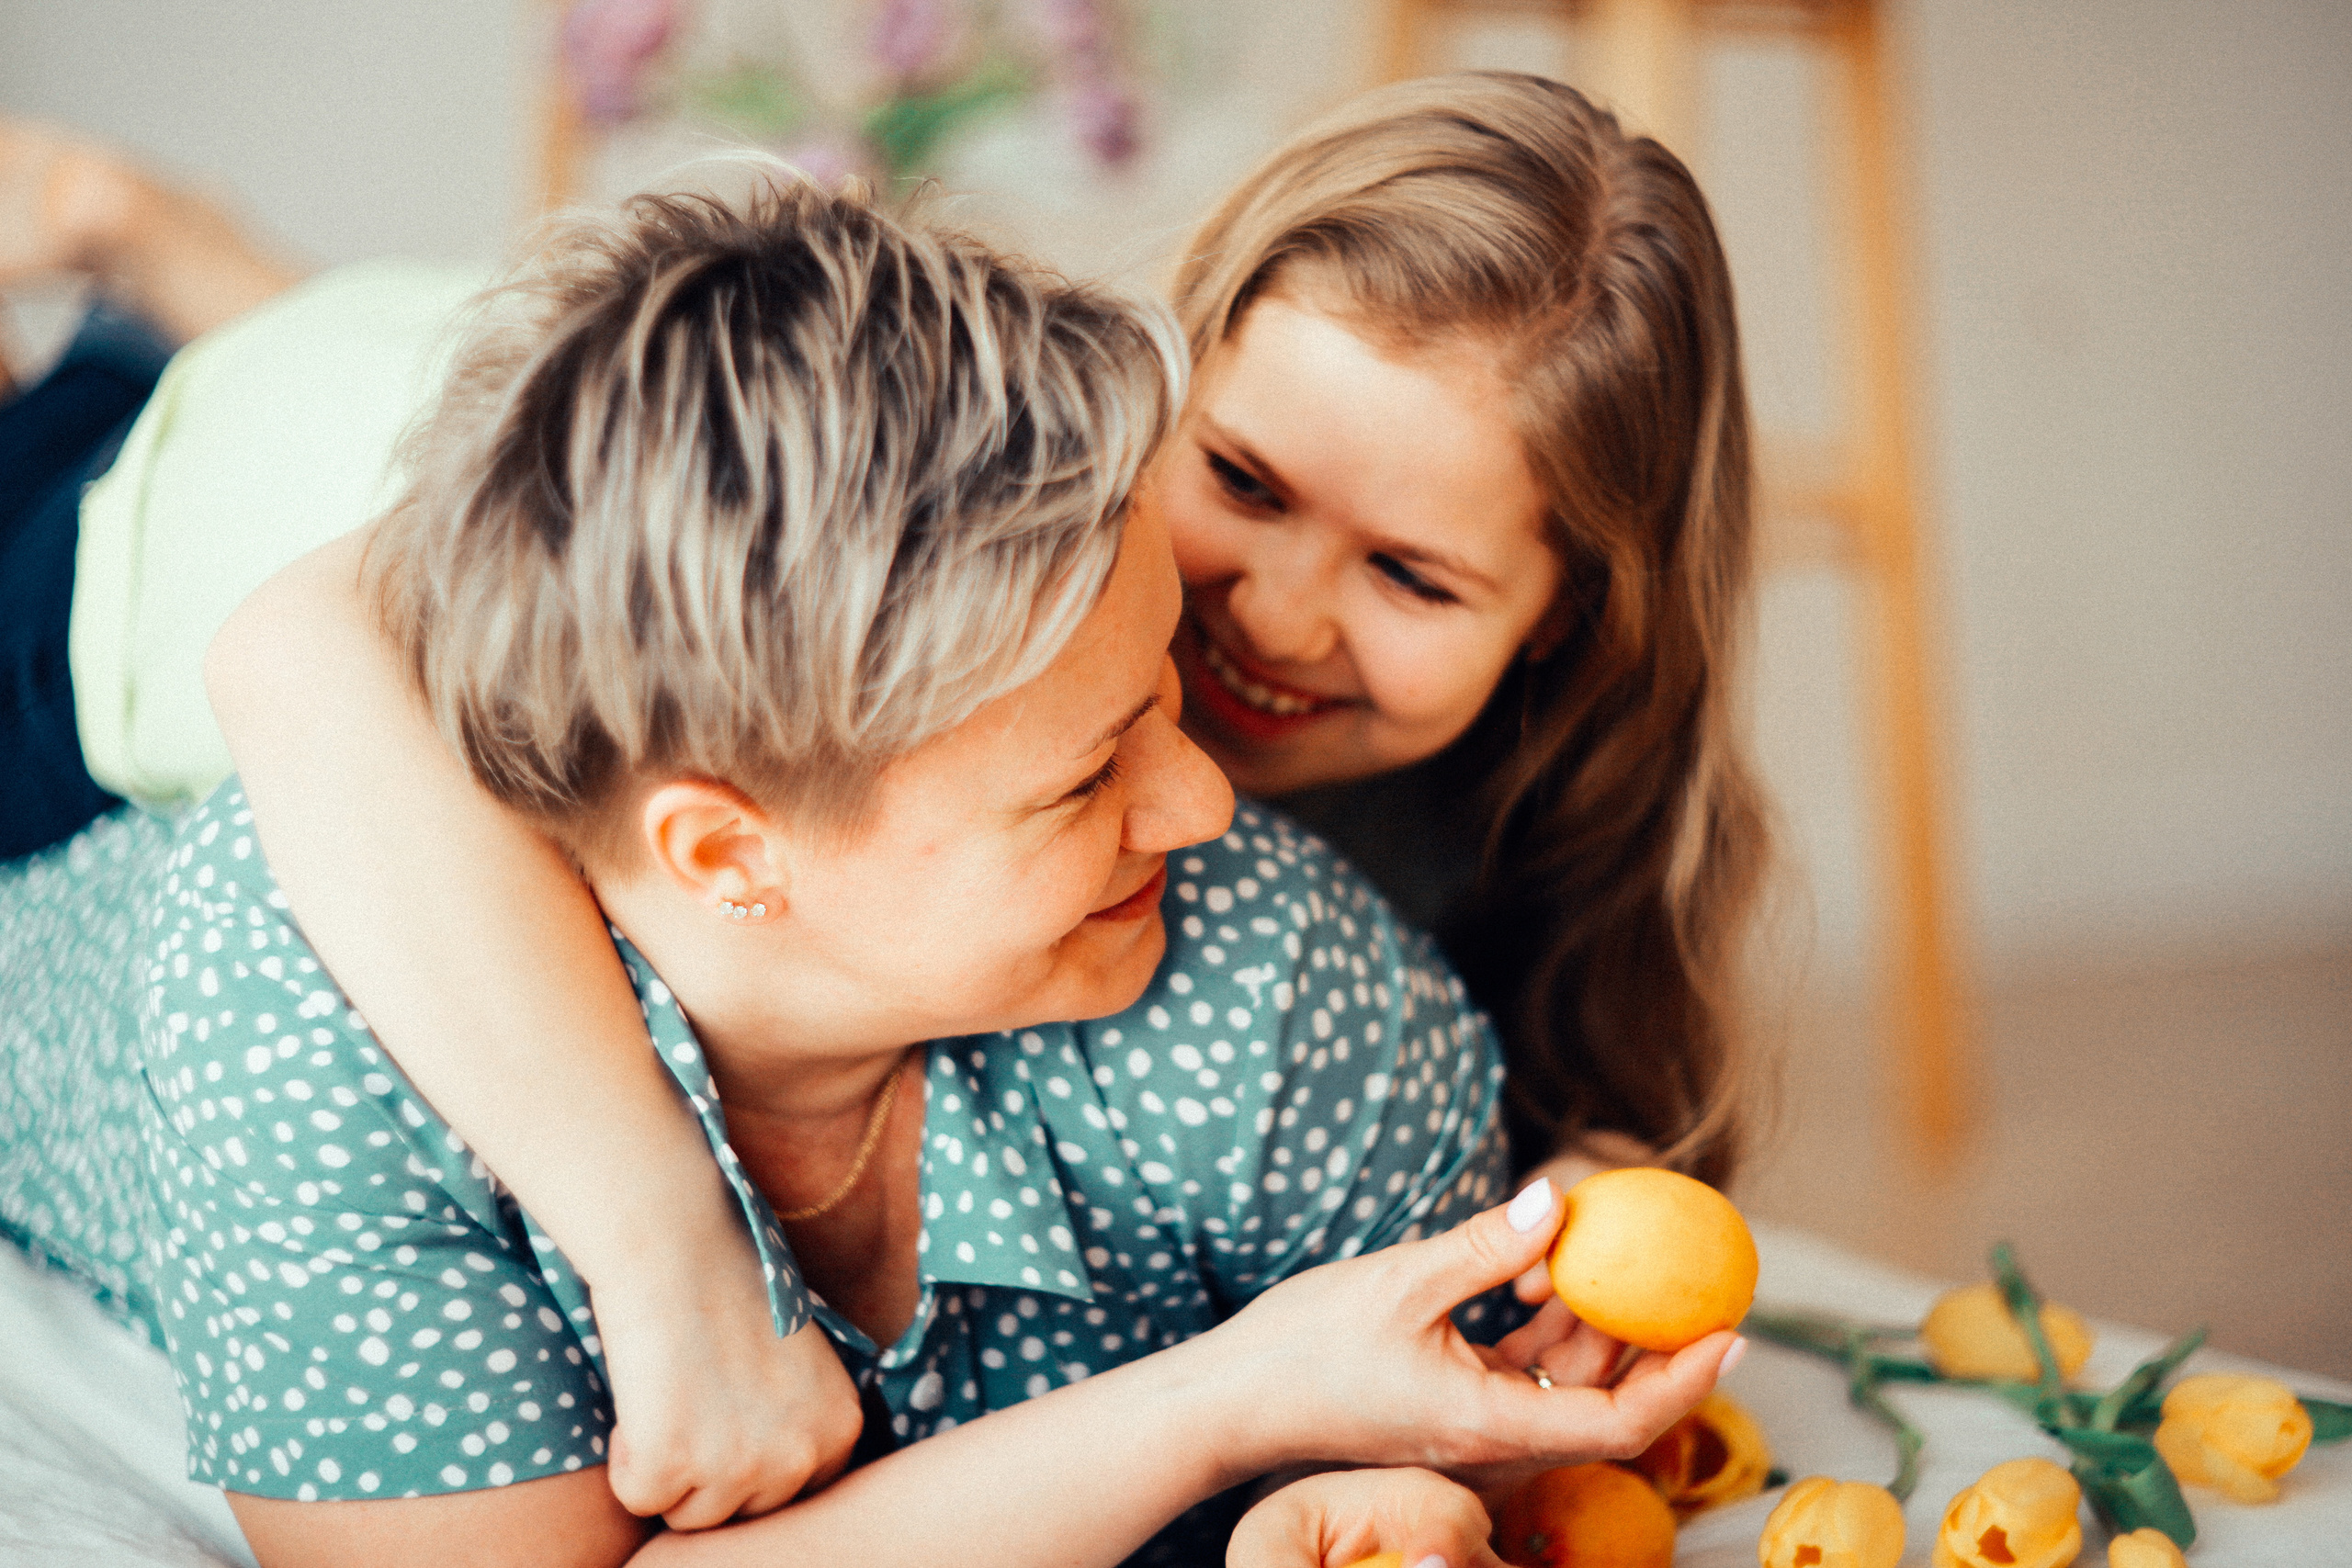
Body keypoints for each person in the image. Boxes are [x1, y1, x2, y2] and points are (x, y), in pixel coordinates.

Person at [3, 175, 1735, 1567]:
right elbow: (299, 648)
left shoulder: (1318, 946)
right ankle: (137, 246)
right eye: (1246, 485)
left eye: (1416, 578)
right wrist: (664, 1234)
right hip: (104, 594)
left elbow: (1433, 1400)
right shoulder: (335, 919)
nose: (1254, 646)